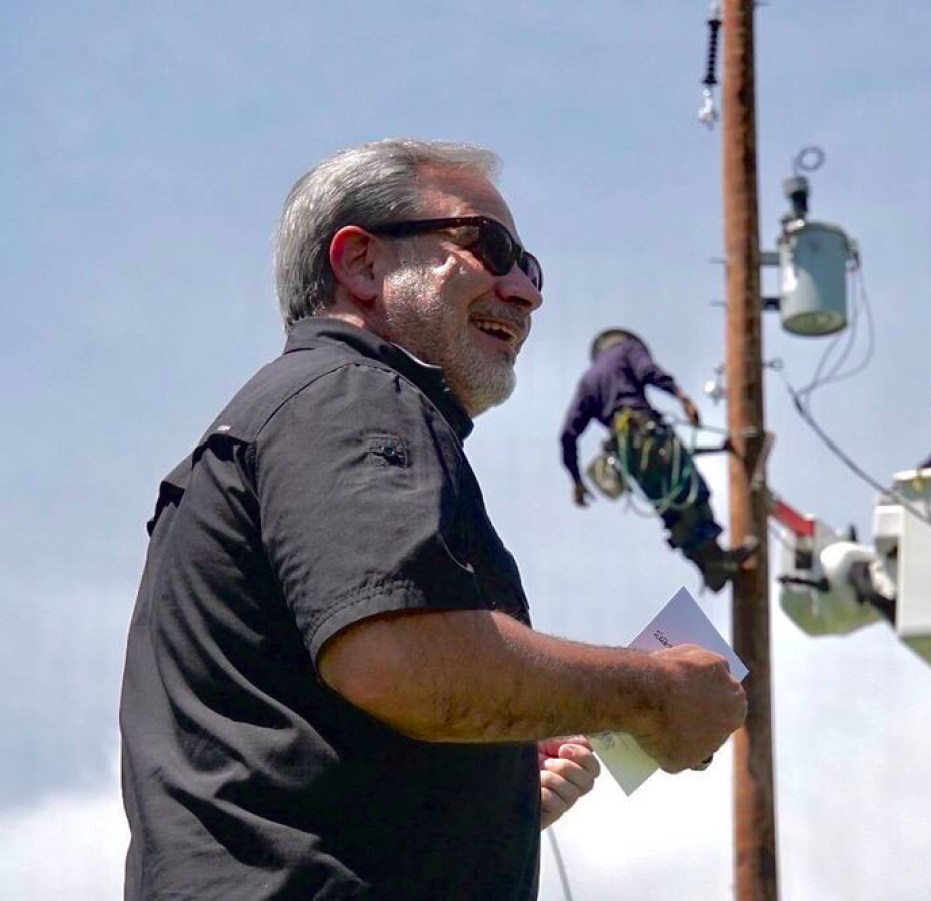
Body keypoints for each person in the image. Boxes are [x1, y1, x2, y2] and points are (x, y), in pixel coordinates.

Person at [119, 139, 746, 901]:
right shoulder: (351, 395)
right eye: (489, 246)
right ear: (360, 263)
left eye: (531, 267)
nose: (526, 292)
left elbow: (332, 715)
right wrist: (651, 693)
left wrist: (484, 778)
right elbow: (399, 658)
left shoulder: (302, 411)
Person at [560, 328, 757, 592]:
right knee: (690, 492)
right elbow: (649, 372)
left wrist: (577, 481)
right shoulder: (626, 352)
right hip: (650, 434)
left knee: (671, 512)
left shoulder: (588, 381)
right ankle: (717, 561)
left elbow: (567, 435)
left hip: (630, 458)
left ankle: (708, 567)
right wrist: (682, 397)